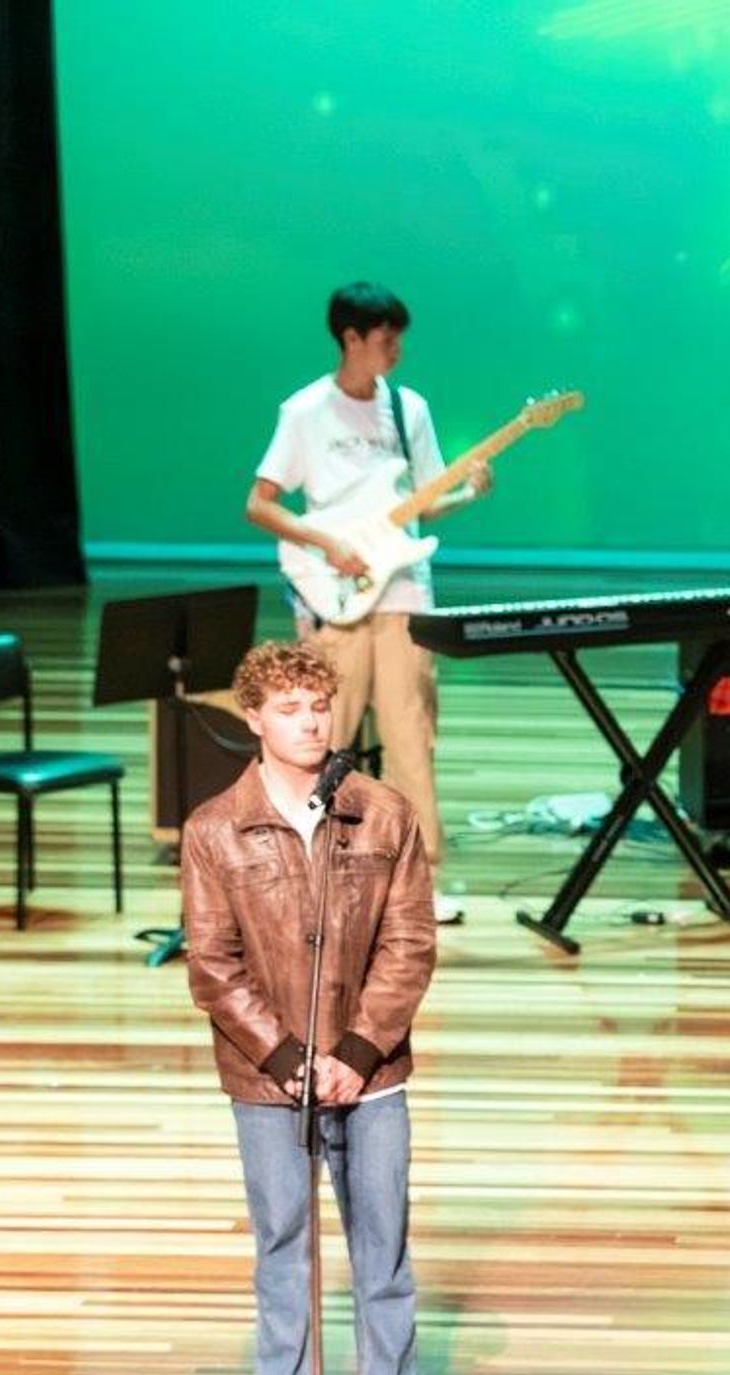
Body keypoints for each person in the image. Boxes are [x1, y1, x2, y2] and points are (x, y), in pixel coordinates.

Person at [181, 641, 440, 1375]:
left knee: (382, 1233)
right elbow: (212, 965)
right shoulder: (214, 828)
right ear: (253, 719)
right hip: (268, 1077)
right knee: (283, 1234)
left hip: (371, 1070)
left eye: (319, 706)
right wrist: (288, 1058)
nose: (310, 723)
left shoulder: (383, 814)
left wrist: (356, 1052)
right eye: (289, 709)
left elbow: (409, 943)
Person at [243, 281, 492, 913]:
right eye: (386, 338)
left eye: (399, 338)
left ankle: (418, 884)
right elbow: (261, 505)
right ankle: (302, 876)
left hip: (404, 589)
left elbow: (424, 500)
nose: (396, 350)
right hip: (337, 591)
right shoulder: (305, 411)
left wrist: (468, 494)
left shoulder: (408, 409)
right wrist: (325, 542)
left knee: (412, 737)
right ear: (350, 338)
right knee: (320, 738)